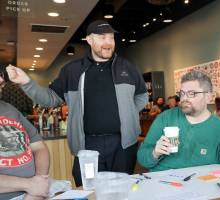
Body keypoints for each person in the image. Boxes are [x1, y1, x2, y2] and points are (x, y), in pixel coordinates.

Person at [6, 19, 148, 186]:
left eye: (111, 38)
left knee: (122, 190)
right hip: (87, 146)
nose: (108, 43)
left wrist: (128, 113)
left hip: (124, 144)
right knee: (88, 189)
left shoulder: (127, 67)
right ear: (89, 40)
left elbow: (142, 95)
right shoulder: (72, 70)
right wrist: (26, 82)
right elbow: (50, 98)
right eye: (102, 37)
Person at [137, 70, 220, 171]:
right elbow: (142, 158)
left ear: (208, 97)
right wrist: (155, 153)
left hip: (200, 184)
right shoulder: (165, 118)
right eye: (182, 93)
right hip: (161, 181)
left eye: (192, 93)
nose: (184, 98)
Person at [0, 67, 50, 200]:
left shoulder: (9, 109)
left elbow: (39, 147)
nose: (1, 80)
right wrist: (29, 185)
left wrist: (38, 185)